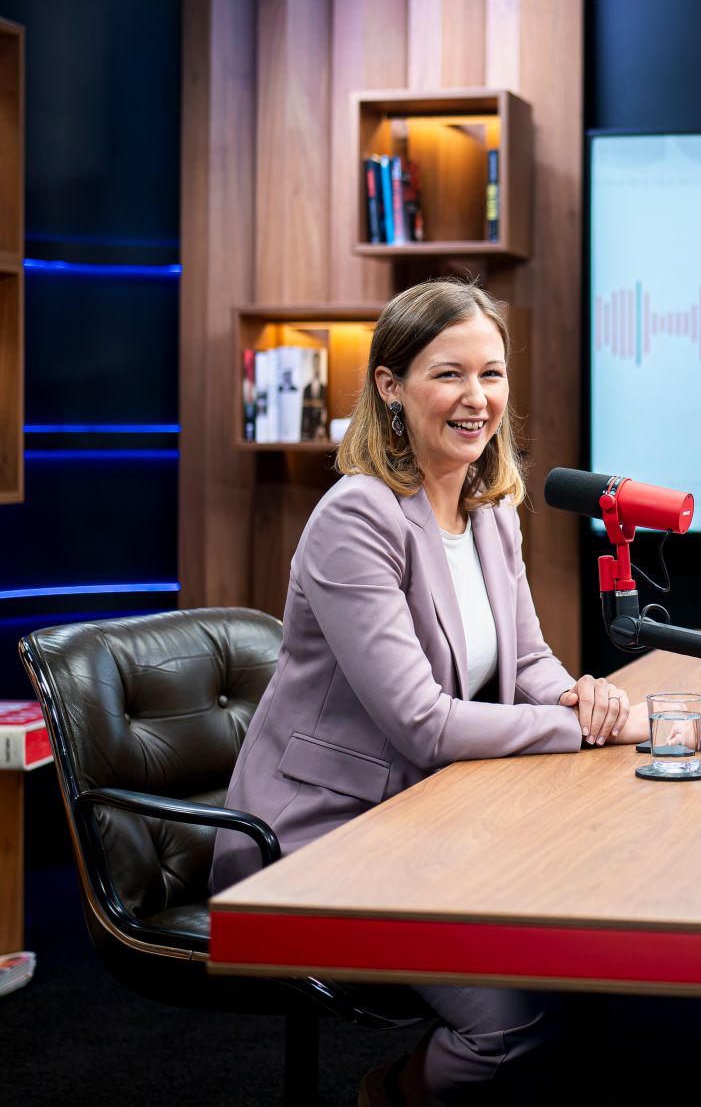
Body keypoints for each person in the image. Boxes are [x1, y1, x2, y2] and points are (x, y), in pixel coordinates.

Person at [211, 279, 645, 1104]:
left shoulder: (491, 513)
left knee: (596, 973)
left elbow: (527, 662)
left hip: (427, 821)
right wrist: (576, 733)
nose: (476, 399)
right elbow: (422, 721)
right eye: (448, 374)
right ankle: (389, 1093)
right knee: (514, 1022)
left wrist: (580, 698)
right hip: (315, 842)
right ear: (390, 385)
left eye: (492, 374)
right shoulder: (357, 518)